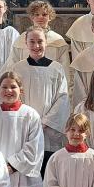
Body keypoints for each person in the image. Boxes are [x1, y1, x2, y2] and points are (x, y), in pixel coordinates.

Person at [8, 27, 71, 167]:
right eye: (32, 41)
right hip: (24, 126)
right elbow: (13, 96)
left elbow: (62, 98)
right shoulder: (18, 68)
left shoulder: (56, 68)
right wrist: (27, 121)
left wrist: (45, 122)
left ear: (46, 42)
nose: (36, 46)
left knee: (48, 170)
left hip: (48, 130)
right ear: (26, 43)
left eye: (40, 41)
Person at [6, 0, 70, 72]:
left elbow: (65, 68)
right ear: (31, 17)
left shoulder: (58, 40)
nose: (40, 17)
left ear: (50, 17)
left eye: (44, 14)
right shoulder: (21, 39)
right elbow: (12, 65)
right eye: (36, 14)